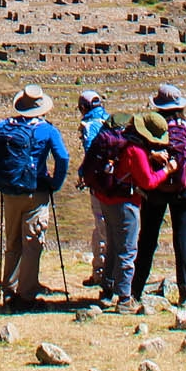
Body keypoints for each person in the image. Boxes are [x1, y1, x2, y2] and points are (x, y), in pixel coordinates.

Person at [0, 85, 71, 313]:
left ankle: (9, 291)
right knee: (32, 244)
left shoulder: (2, 126)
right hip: (36, 192)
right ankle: (26, 296)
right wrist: (54, 184)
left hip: (9, 193)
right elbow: (63, 157)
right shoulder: (47, 130)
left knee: (13, 243)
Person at [84, 111, 172, 313]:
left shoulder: (122, 141)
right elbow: (148, 181)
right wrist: (167, 170)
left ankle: (107, 290)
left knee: (114, 245)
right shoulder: (135, 150)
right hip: (125, 204)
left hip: (106, 199)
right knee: (128, 250)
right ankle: (124, 298)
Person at [132, 84, 186, 308]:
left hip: (155, 189)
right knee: (183, 239)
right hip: (185, 190)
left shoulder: (149, 130)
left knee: (147, 239)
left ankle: (135, 290)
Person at [75, 91, 110, 289]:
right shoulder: (110, 121)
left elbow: (91, 155)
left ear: (83, 107)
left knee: (102, 227)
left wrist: (83, 174)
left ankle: (103, 273)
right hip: (116, 182)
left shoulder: (89, 125)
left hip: (98, 184)